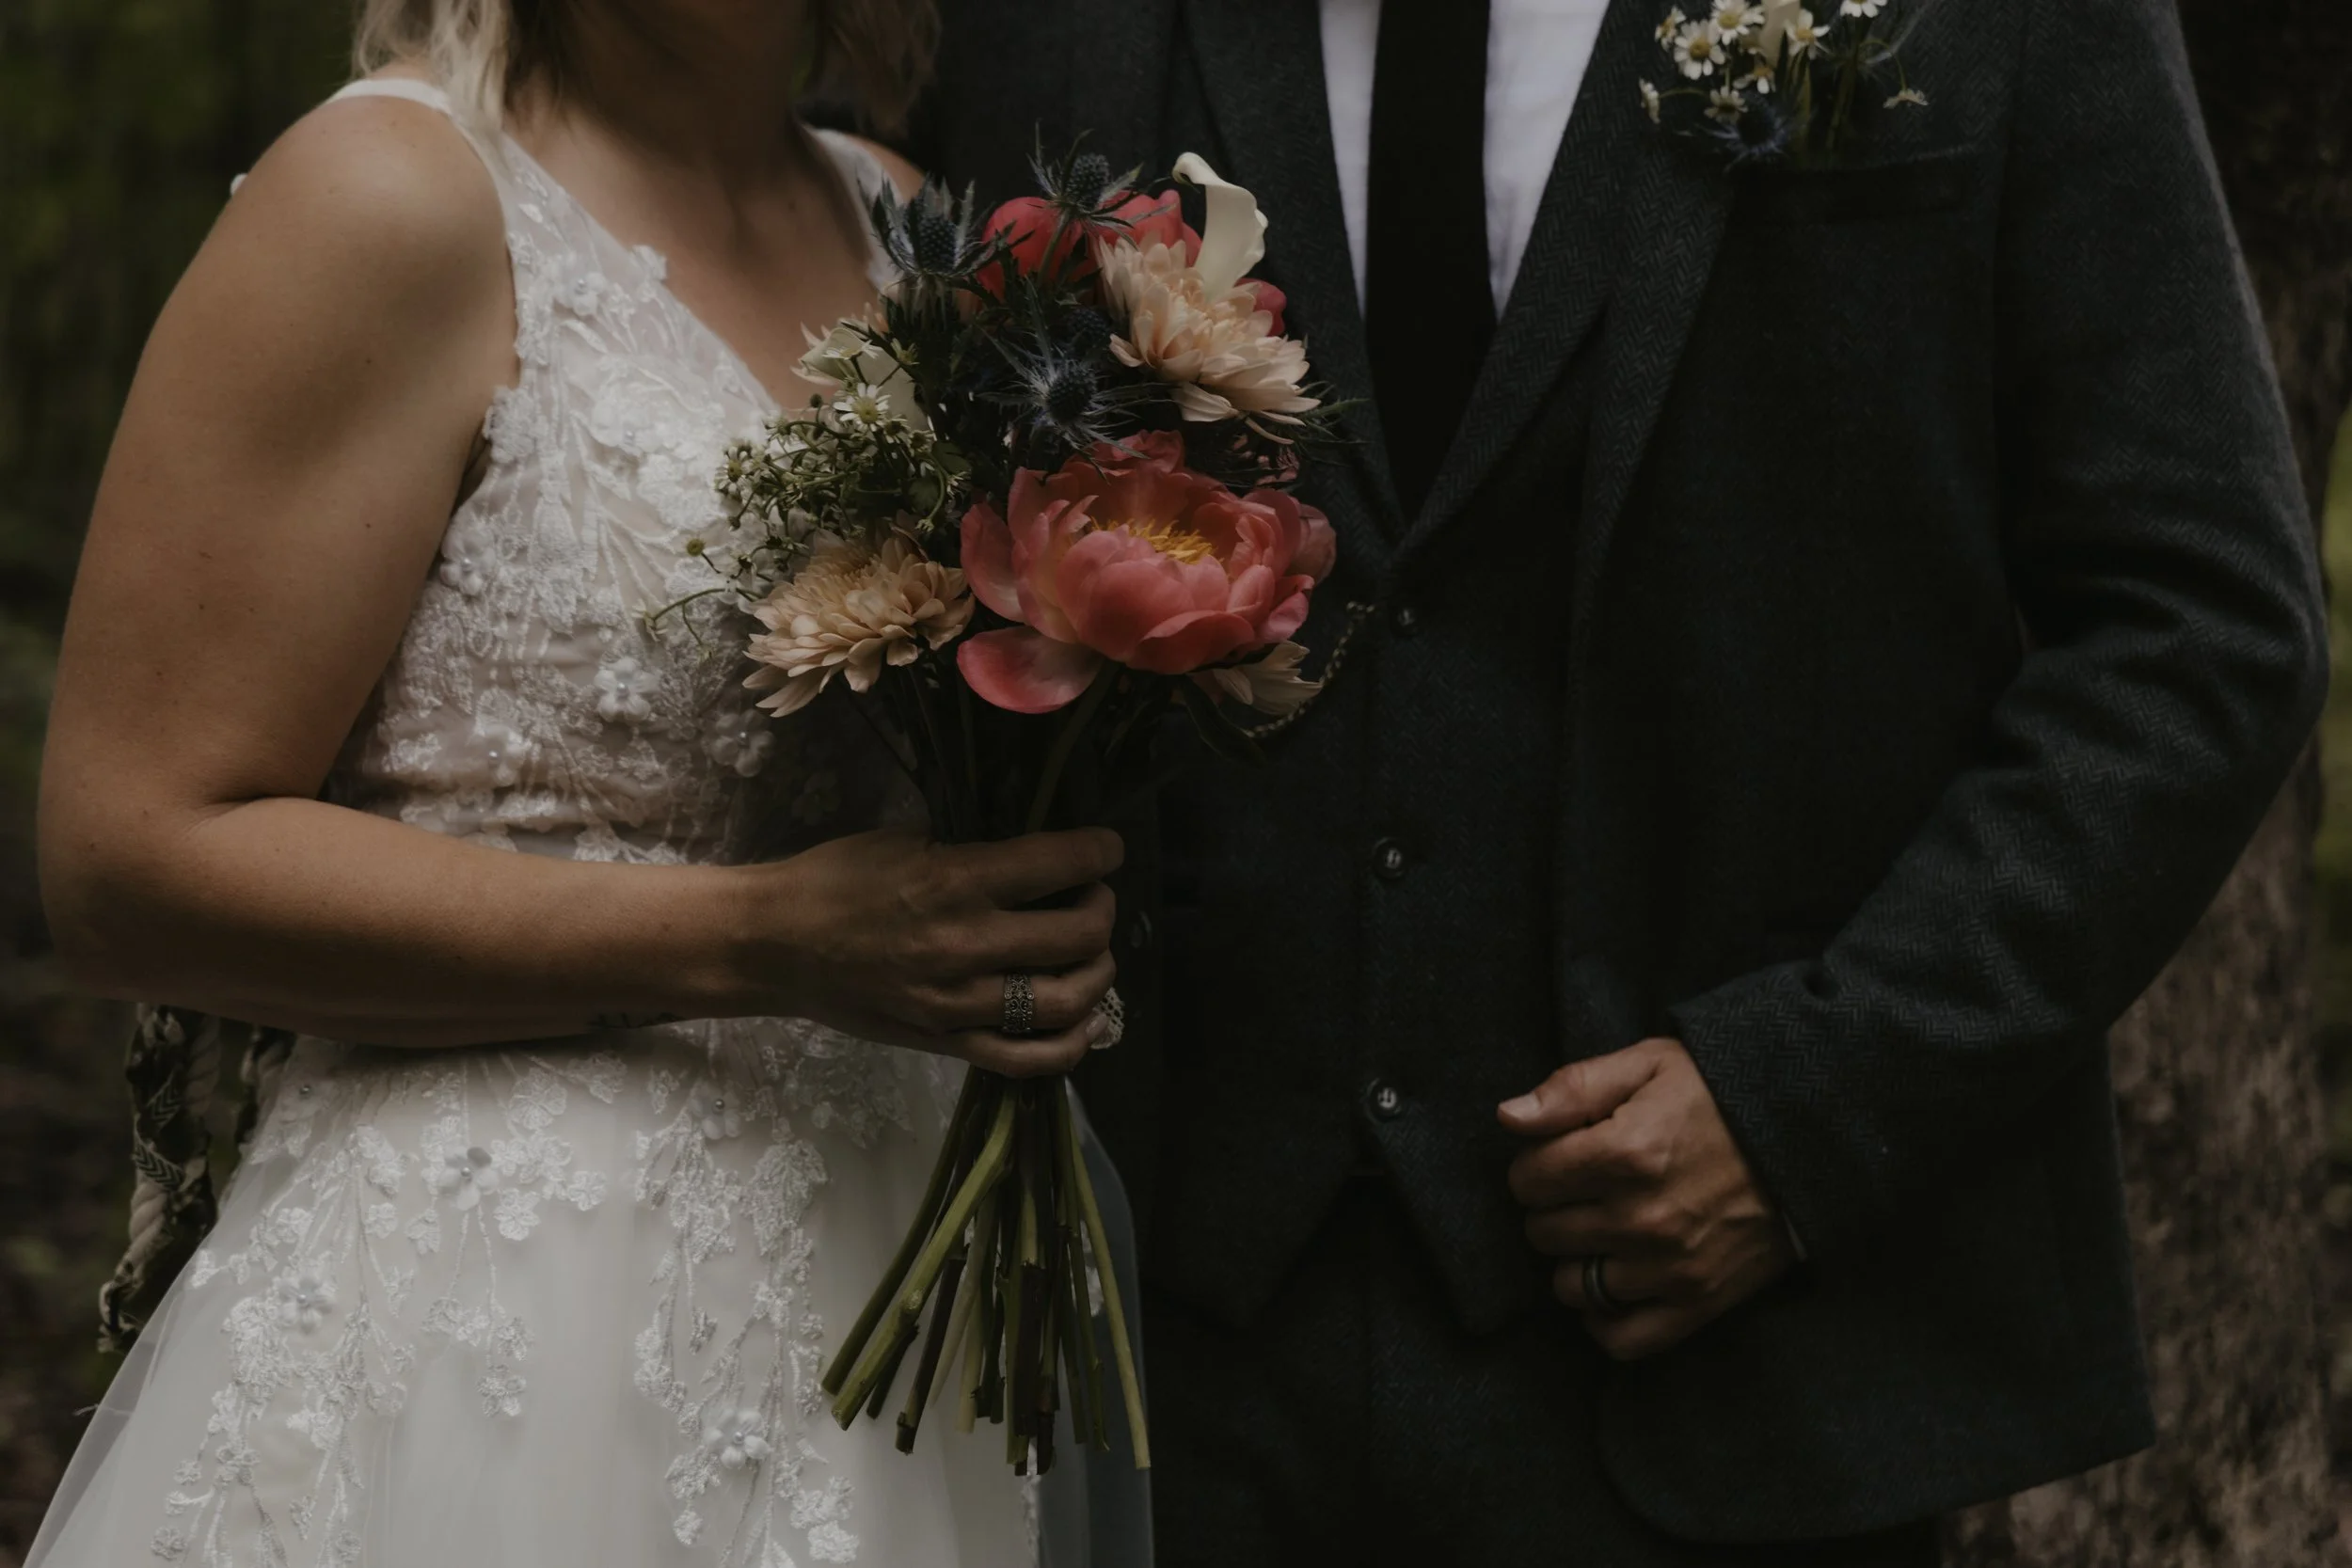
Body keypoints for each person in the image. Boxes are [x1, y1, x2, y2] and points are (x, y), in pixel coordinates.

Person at [908, 0, 2330, 1563]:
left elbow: (2204, 625)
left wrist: (1809, 1103)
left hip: (1733, 1367)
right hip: (1163, 1380)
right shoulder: (1047, 25)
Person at [25, 1, 1141, 1564]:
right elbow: (129, 861)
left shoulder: (907, 226)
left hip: (897, 1313)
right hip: (500, 1338)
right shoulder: (392, 200)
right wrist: (764, 943)